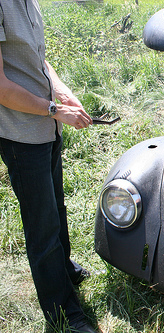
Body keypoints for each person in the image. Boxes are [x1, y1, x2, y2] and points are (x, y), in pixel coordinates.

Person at [0, 1, 96, 332]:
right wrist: (55, 109)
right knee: (42, 226)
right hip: (21, 135)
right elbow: (1, 88)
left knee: (56, 207)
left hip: (47, 125)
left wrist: (63, 93)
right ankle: (63, 312)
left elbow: (38, 60)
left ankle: (63, 269)